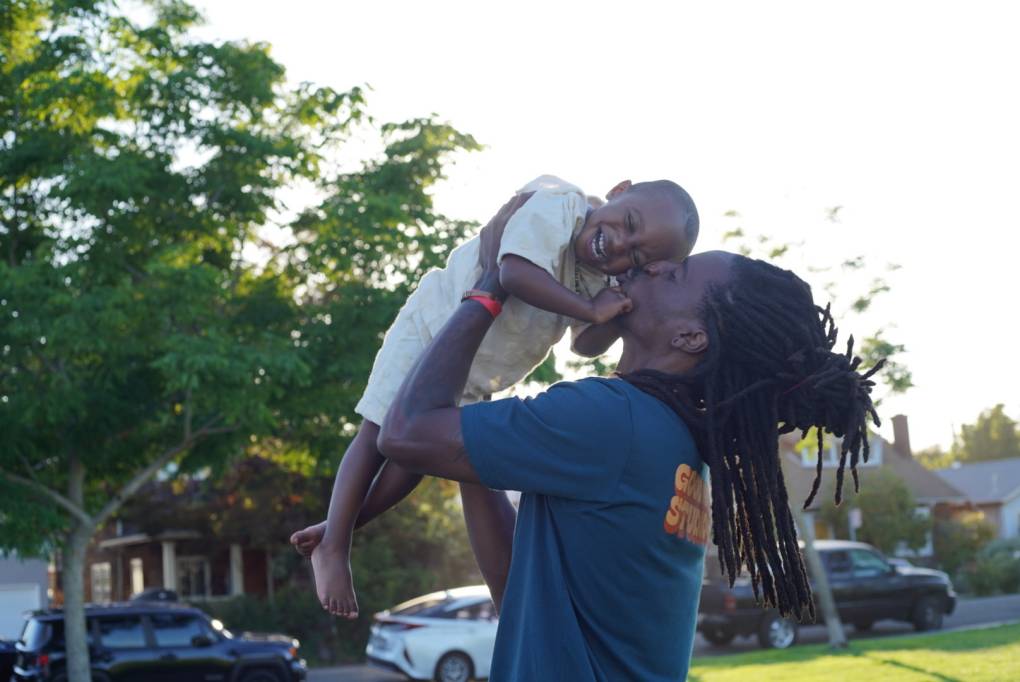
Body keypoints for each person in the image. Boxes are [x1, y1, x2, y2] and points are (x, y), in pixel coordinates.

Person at [369, 195, 883, 681]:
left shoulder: (613, 419)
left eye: (676, 273)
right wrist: (478, 443)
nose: (656, 265)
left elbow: (404, 433)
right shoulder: (675, 444)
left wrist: (488, 288)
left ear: (690, 337)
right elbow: (518, 586)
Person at [292, 176, 701, 617]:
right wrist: (588, 309)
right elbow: (513, 272)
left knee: (414, 459)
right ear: (619, 191)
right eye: (628, 222)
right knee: (377, 432)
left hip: (475, 369)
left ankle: (342, 526)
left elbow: (583, 345)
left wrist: (615, 313)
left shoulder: (599, 275)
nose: (620, 243)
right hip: (435, 327)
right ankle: (335, 547)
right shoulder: (561, 206)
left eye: (637, 255)